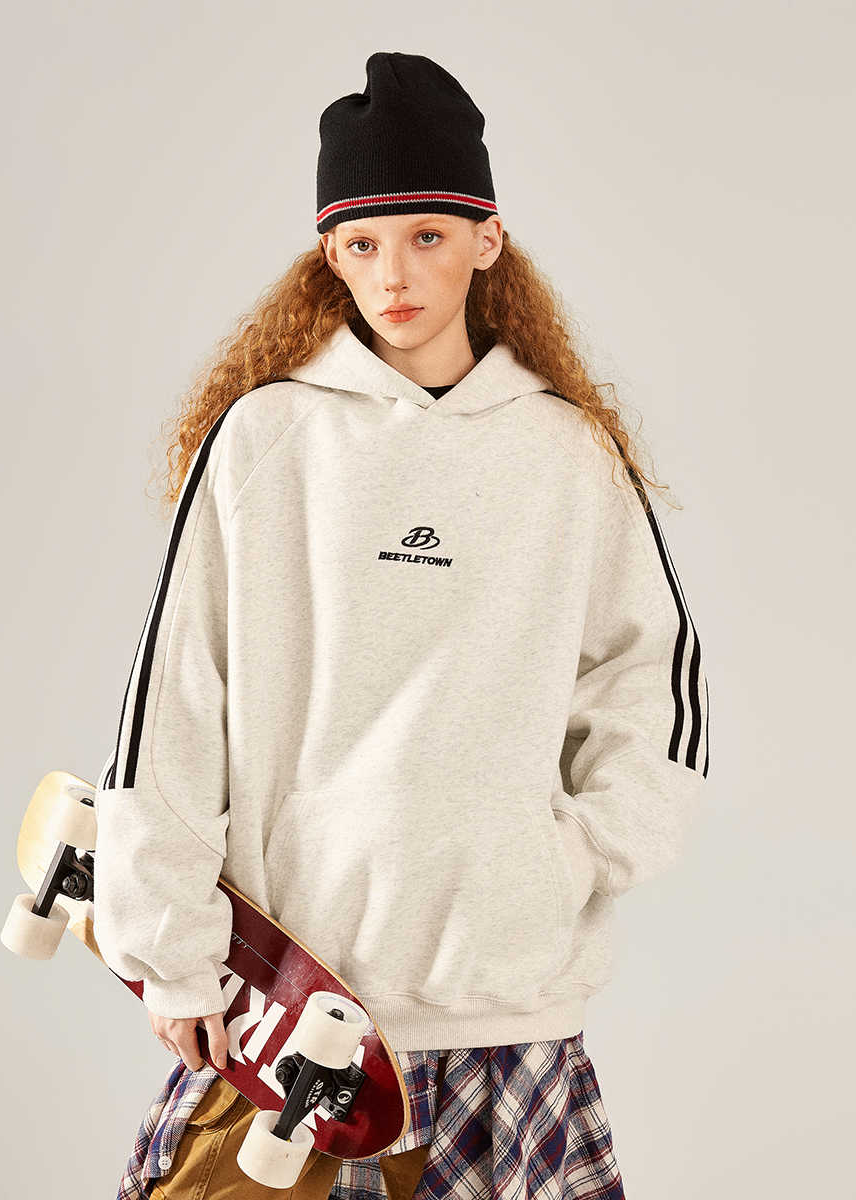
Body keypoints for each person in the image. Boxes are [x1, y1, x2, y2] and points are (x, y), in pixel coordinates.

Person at [93, 51, 710, 1200]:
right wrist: (169, 947)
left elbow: (653, 683)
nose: (396, 273)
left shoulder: (567, 455)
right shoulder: (264, 441)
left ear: (488, 239)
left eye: (428, 235)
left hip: (506, 1013)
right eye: (363, 243)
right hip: (291, 1006)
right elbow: (174, 696)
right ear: (329, 255)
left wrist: (565, 857)